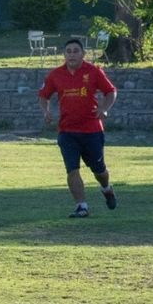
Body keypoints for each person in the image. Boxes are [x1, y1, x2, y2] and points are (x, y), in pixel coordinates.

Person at [38, 38, 118, 218]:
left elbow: (110, 91)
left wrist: (104, 108)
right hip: (67, 132)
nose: (72, 54)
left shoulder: (93, 71)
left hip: (92, 130)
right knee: (72, 169)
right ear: (64, 54)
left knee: (99, 171)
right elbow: (43, 95)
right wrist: (46, 111)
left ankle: (106, 188)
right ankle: (82, 206)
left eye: (76, 51)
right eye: (68, 51)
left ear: (83, 54)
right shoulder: (55, 75)